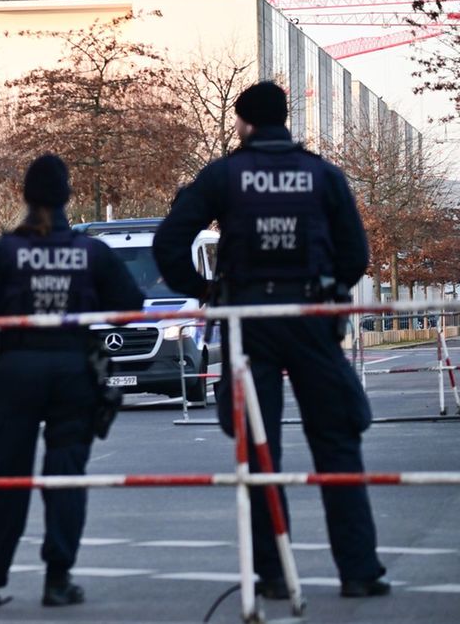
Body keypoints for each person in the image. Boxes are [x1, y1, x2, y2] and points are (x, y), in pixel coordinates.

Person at [153, 80, 389, 599]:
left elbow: (169, 242)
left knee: (259, 447)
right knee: (337, 439)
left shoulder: (224, 175)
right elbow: (355, 254)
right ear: (284, 119)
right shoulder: (323, 175)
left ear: (243, 122)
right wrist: (329, 289)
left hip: (248, 320)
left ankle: (274, 574)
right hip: (310, 316)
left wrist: (206, 291)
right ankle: (358, 570)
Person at [0, 155, 145, 609]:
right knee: (66, 476)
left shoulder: (7, 251)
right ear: (67, 197)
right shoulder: (90, 251)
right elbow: (131, 303)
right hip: (74, 370)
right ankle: (58, 580)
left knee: (7, 479)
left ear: (26, 195)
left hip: (17, 370)